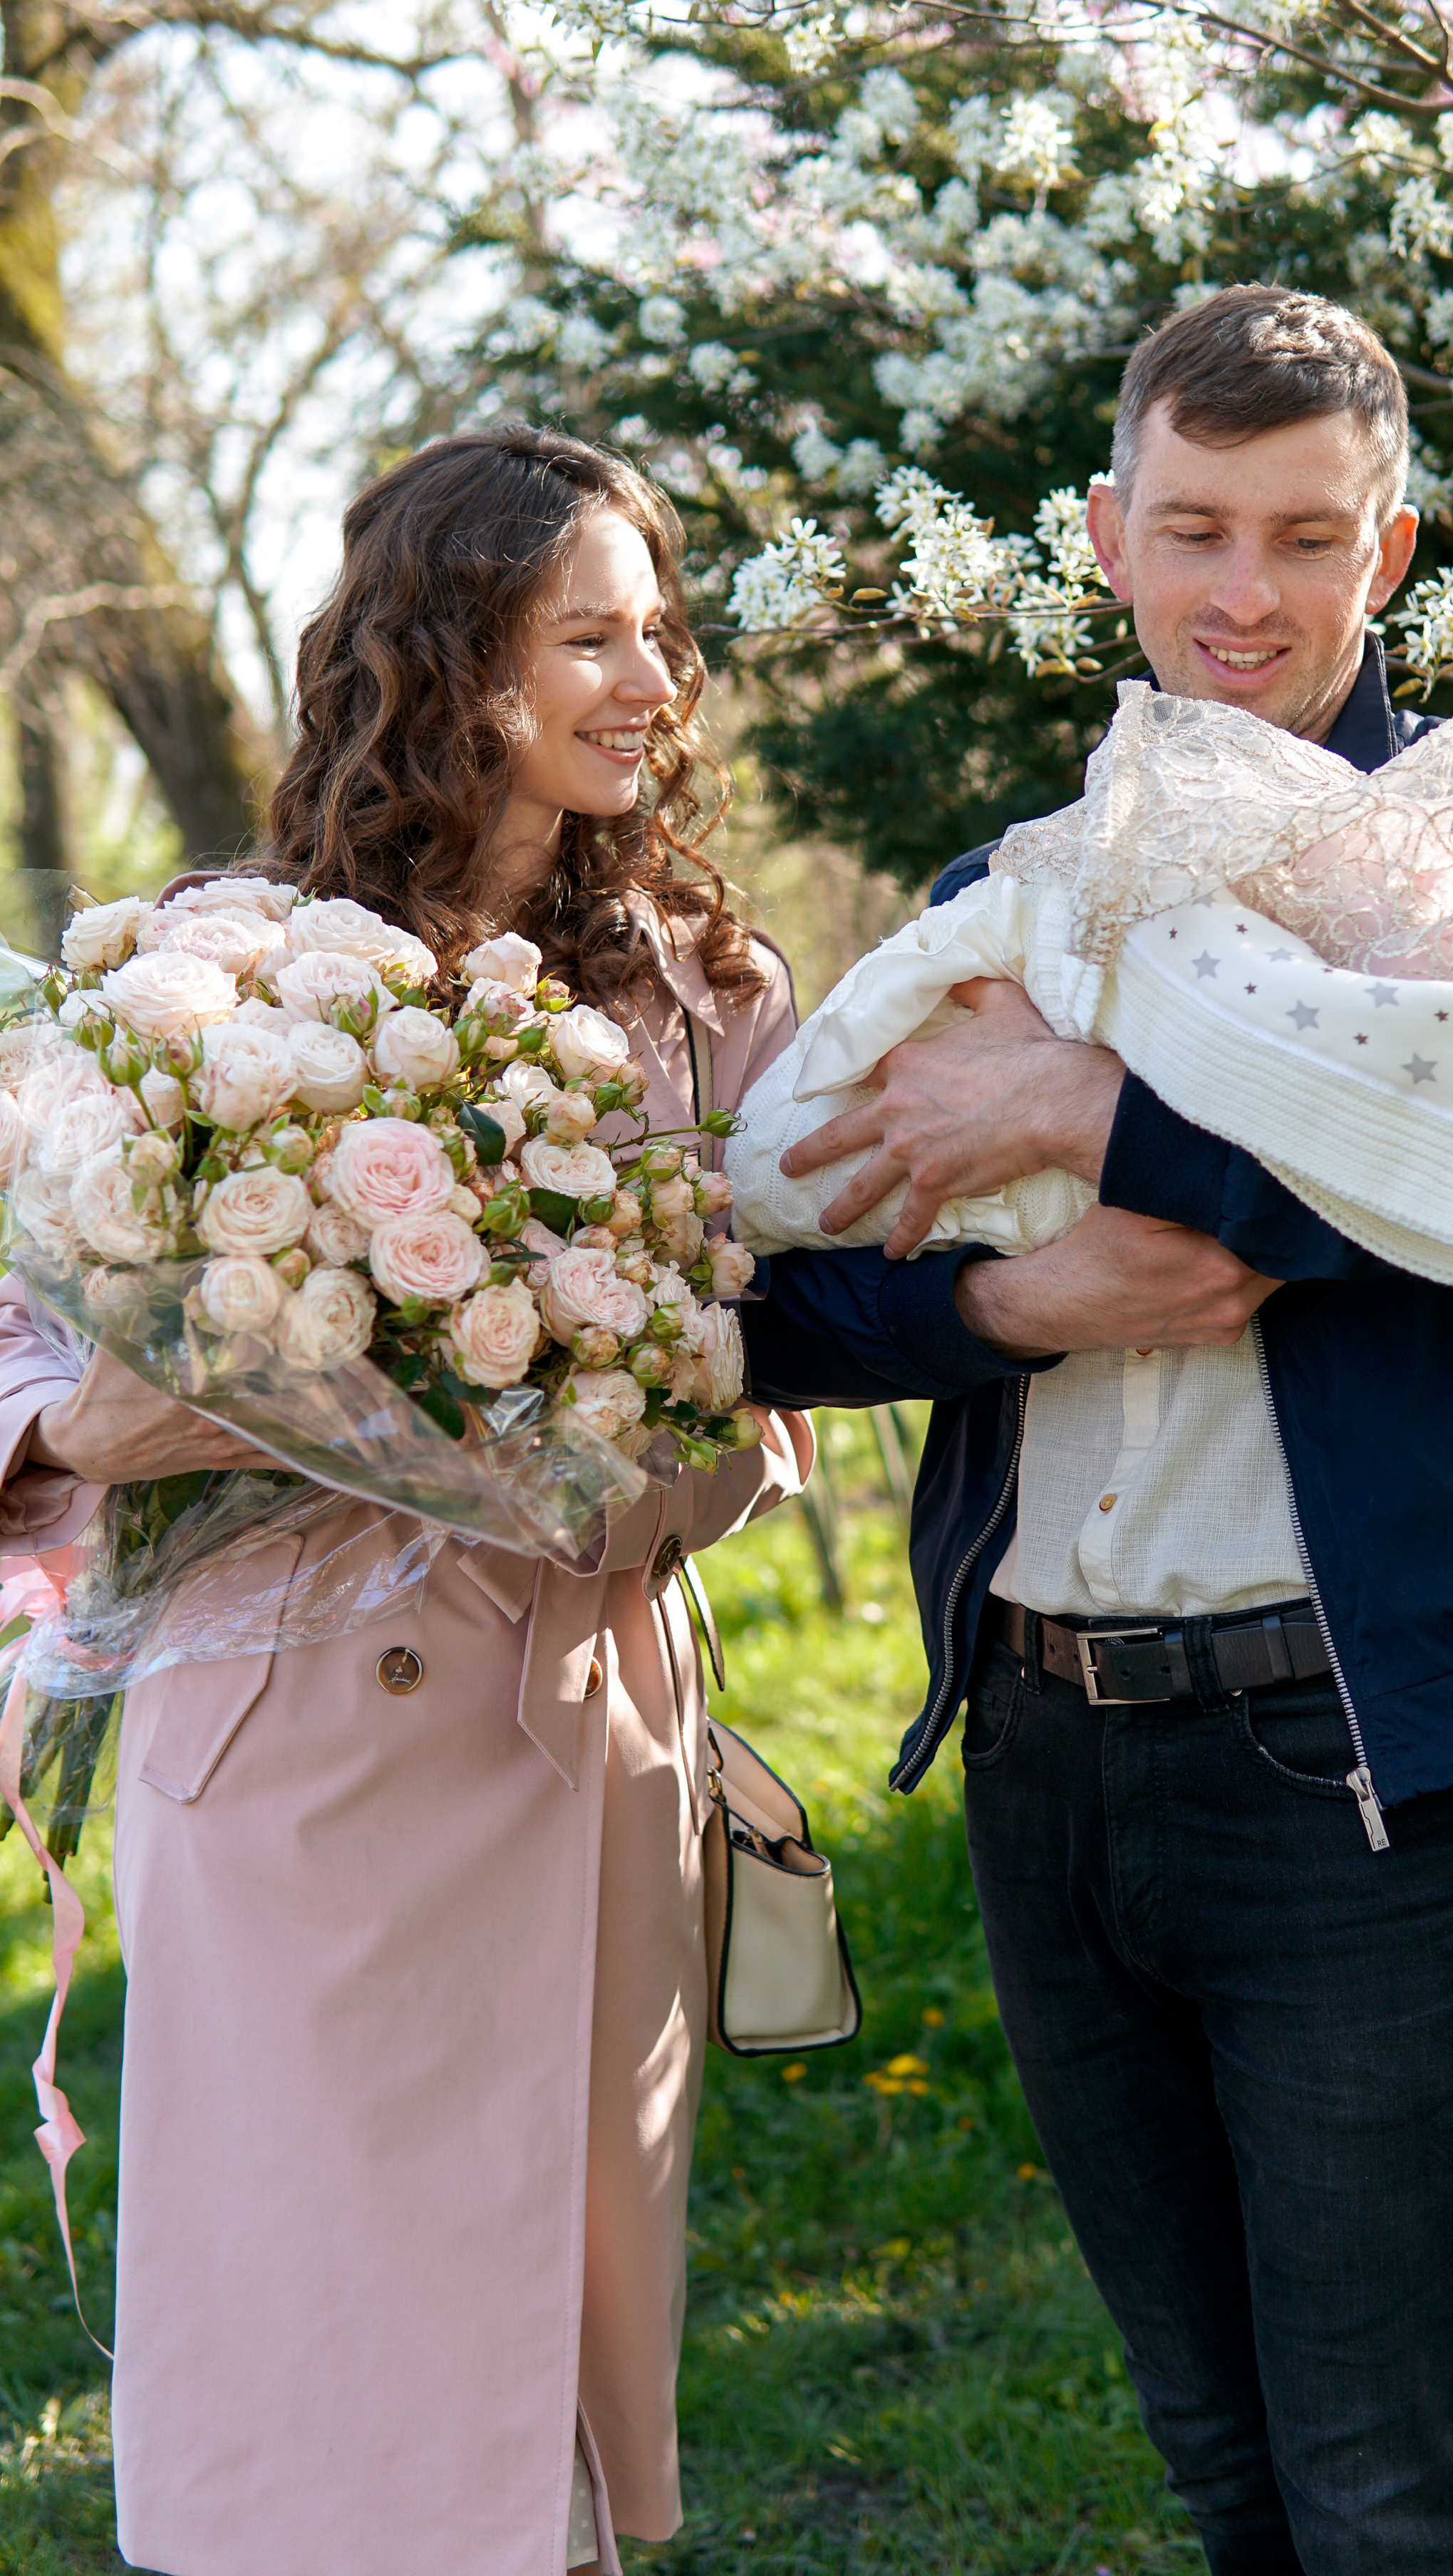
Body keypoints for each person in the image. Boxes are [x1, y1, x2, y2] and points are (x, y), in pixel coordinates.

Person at [742, 286, 1453, 2572]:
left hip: (1336, 1762)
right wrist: (1015, 1290)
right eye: (1193, 530)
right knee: (1219, 2466)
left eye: (1302, 536)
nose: (1243, 594)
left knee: (1386, 2488)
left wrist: (1093, 1107)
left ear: (1388, 552)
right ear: (1107, 537)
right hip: (1049, 1756)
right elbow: (789, 1293)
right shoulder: (1023, 882)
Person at [0, 425, 811, 2576]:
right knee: (302, 2364)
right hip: (277, 1747)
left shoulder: (710, 1001)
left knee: (538, 2382)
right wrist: (91, 1436)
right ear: (448, 662)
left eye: (664, 633)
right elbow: (18, 1318)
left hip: (569, 1720)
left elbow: (776, 1376)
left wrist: (600, 1460)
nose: (653, 680)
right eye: (592, 635)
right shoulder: (211, 965)